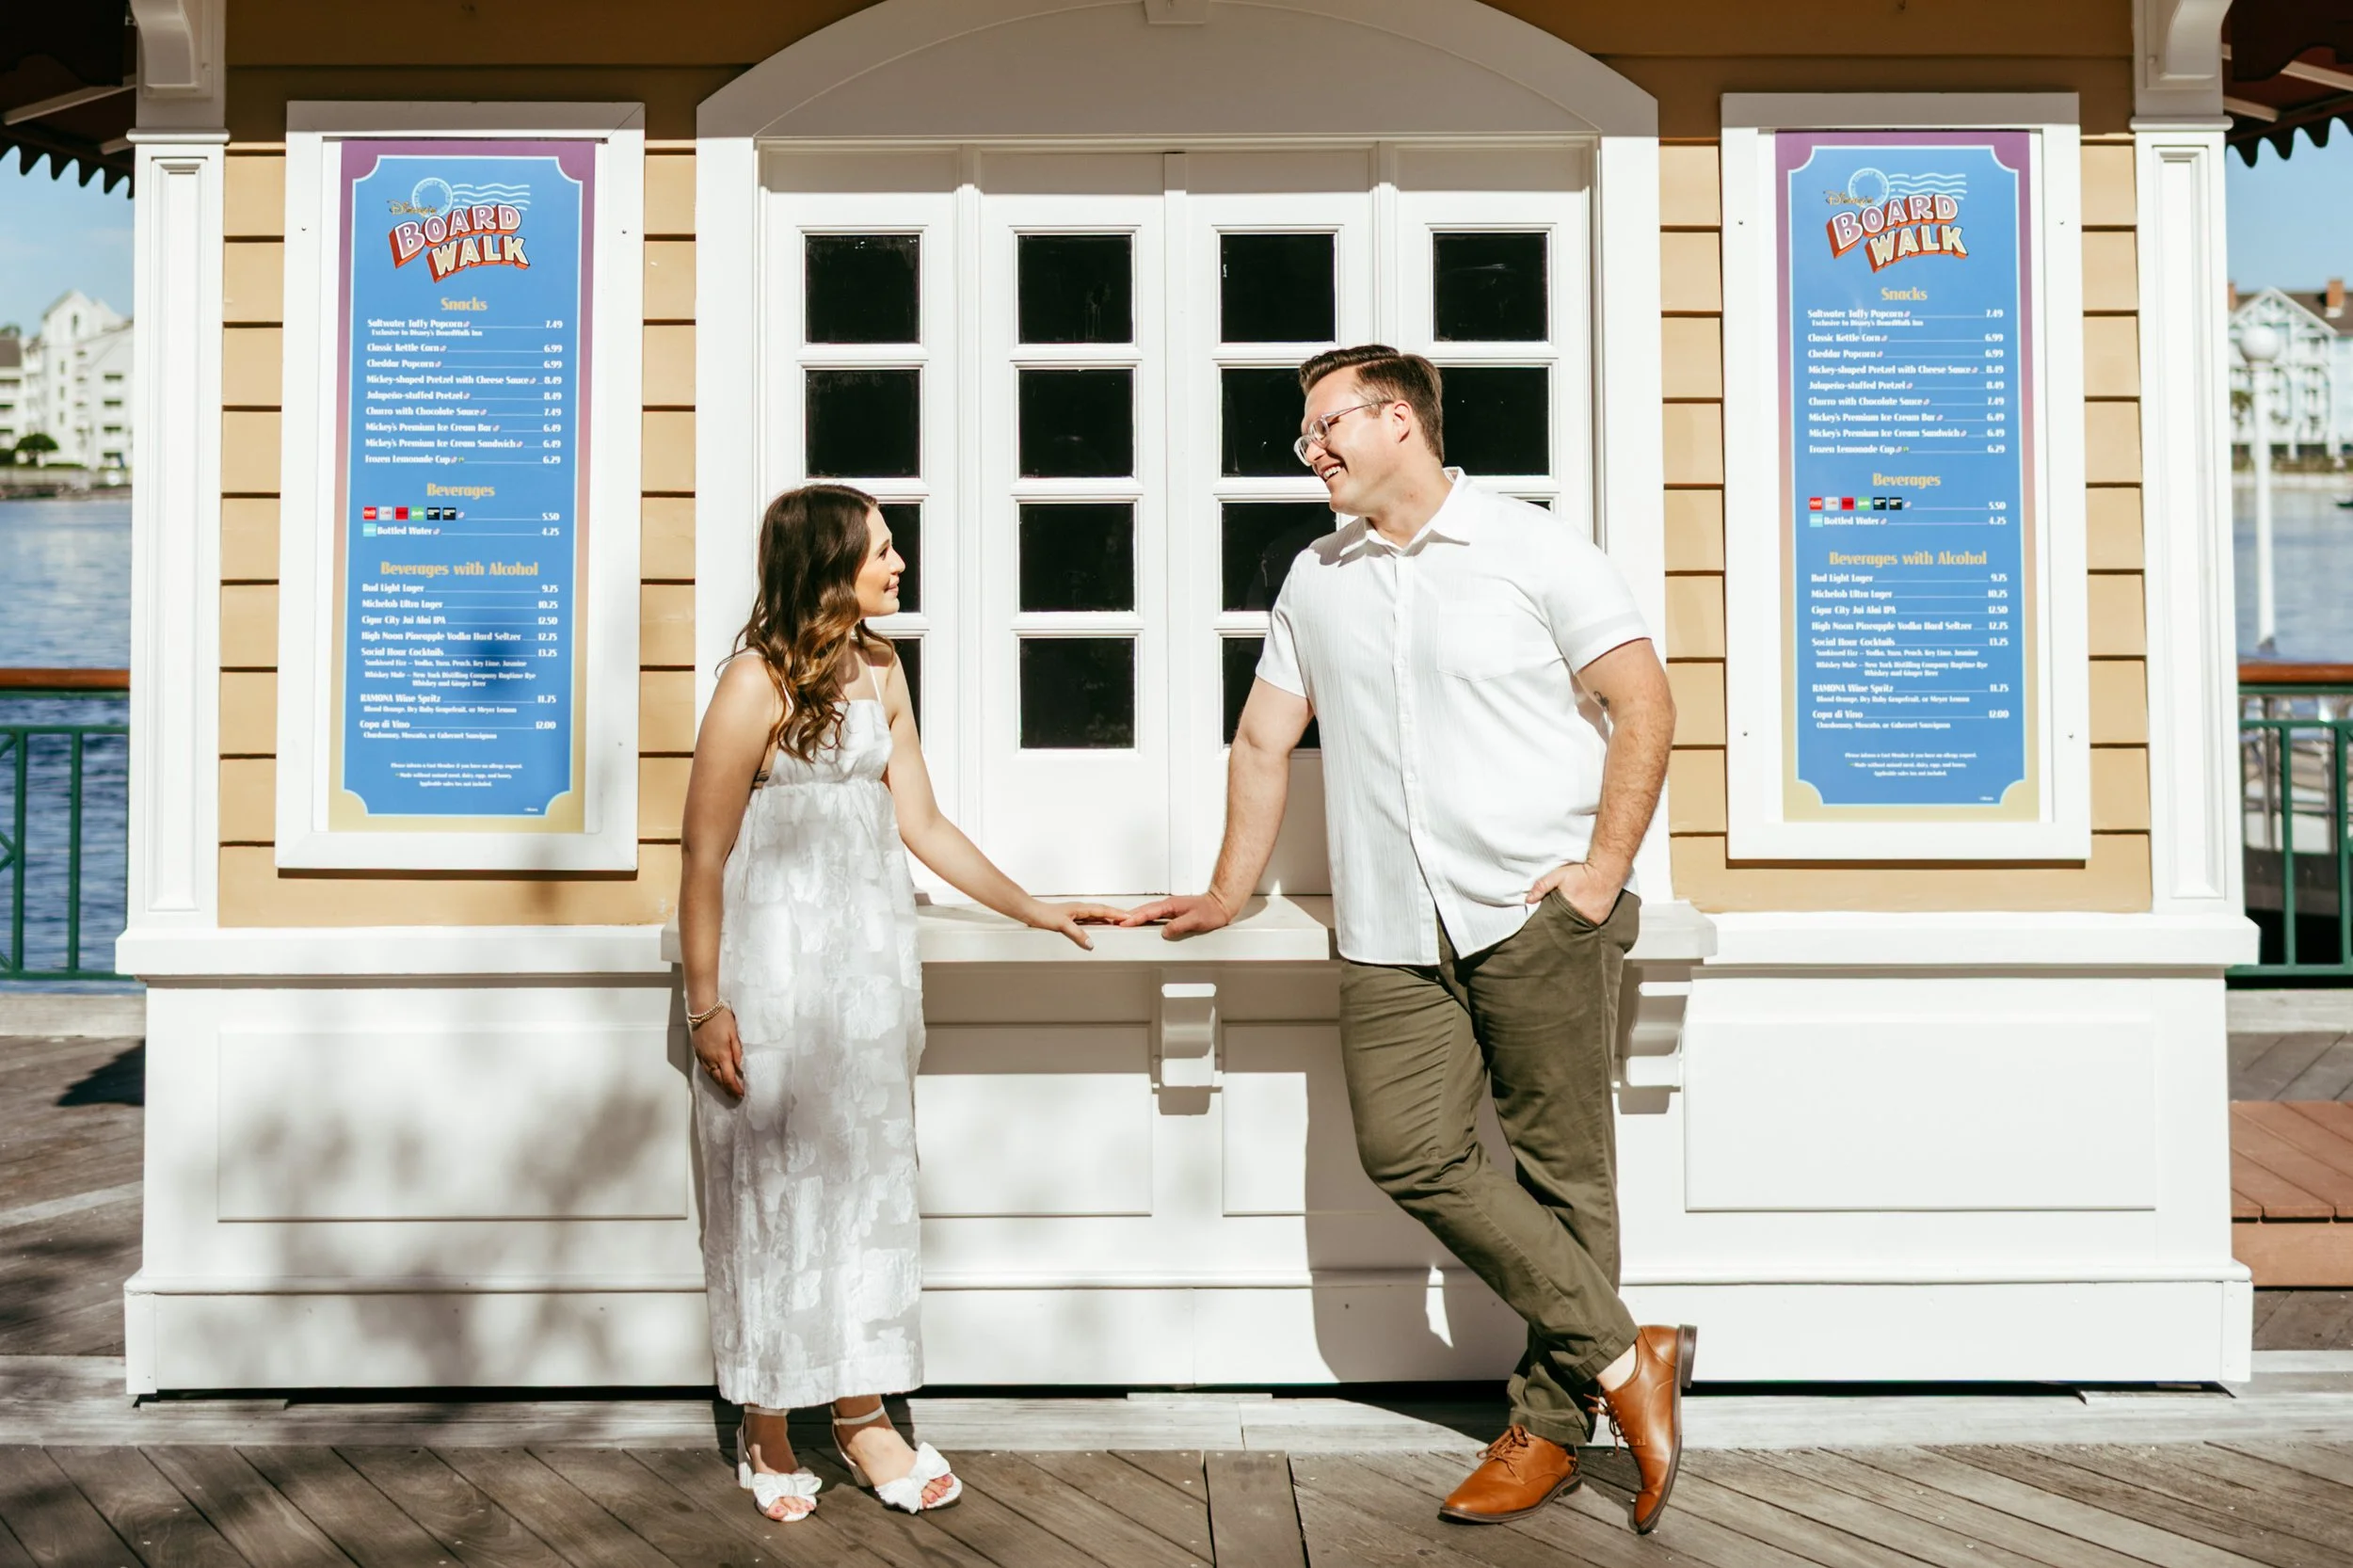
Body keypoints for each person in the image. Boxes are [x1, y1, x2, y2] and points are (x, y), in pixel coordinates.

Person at [1123, 346, 1693, 1533]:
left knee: (1562, 1172)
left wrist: (1598, 875)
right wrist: (1228, 894)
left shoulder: (1535, 547)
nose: (1310, 451)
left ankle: (1545, 1424)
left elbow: (1644, 704)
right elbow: (1261, 744)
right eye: (1303, 436)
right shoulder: (1316, 577)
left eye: (1325, 427)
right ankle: (1623, 1350)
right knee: (1410, 1151)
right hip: (1388, 925)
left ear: (1399, 421)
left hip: (1536, 915)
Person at [678, 483, 1123, 1524]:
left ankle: (864, 1409)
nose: (898, 565)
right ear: (824, 565)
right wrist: (708, 1005)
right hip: (770, 972)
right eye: (880, 550)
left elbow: (918, 816)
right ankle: (768, 1419)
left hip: (868, 976)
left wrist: (1031, 905)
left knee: (864, 1190)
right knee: (770, 1195)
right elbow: (702, 853)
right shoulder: (750, 684)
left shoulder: (880, 669)